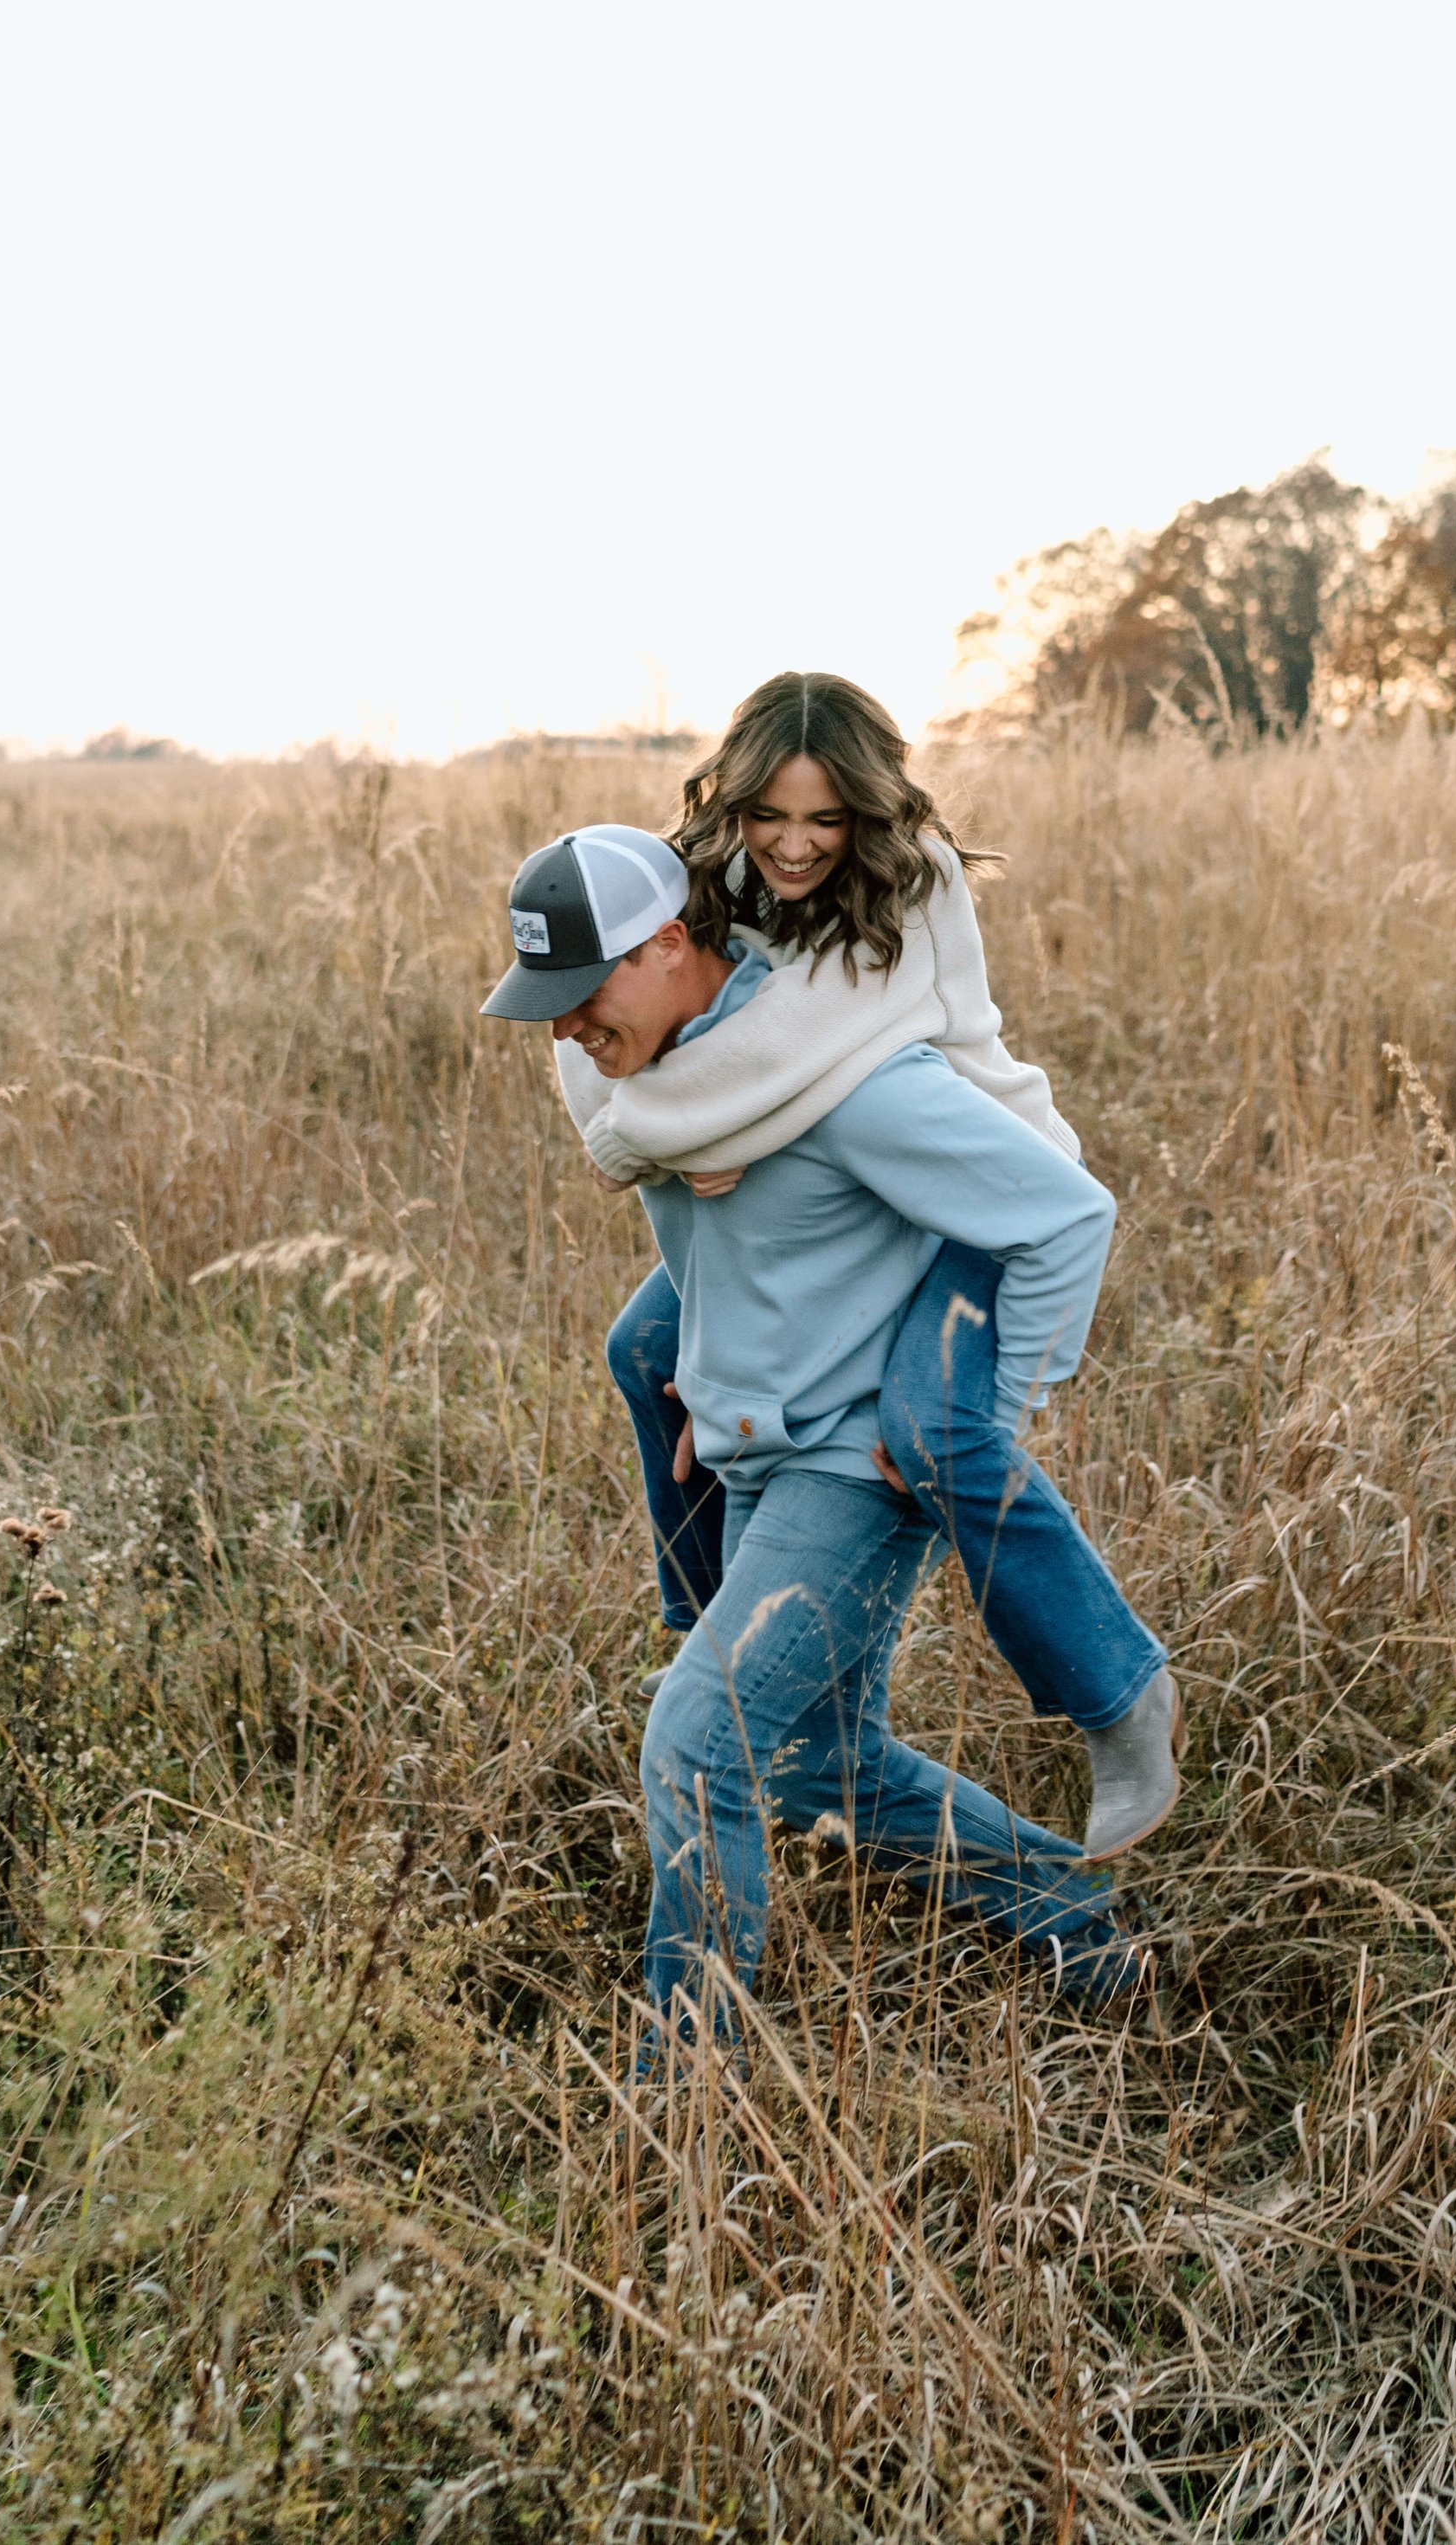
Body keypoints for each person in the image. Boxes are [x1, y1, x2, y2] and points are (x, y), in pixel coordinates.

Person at [481, 815, 1158, 2043]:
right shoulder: (670, 1085)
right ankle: (1080, 1926)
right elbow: (725, 1263)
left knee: (699, 1745)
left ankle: (687, 2092)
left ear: (670, 944)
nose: (571, 1029)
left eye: (585, 995)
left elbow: (1068, 1217)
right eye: (550, 1006)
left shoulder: (838, 1079)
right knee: (813, 1767)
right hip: (760, 1449)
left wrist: (979, 1434)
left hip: (857, 1468)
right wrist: (707, 1373)